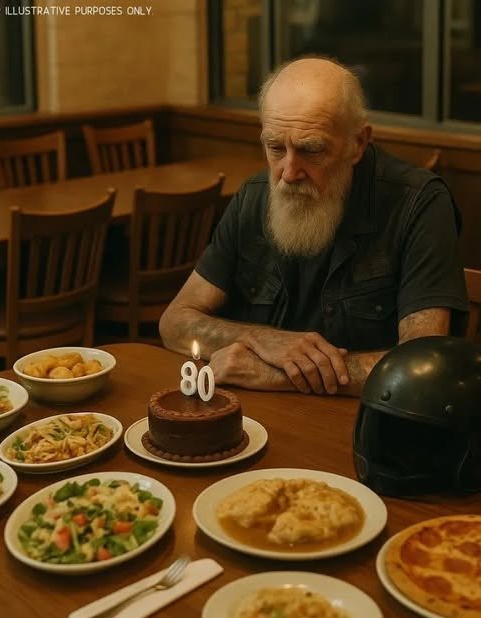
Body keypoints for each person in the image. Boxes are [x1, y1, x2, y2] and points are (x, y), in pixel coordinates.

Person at [159, 56, 468, 396]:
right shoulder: (252, 197)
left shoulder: (419, 203)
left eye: (311, 150)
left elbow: (422, 364)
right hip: (257, 416)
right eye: (275, 148)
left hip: (364, 419)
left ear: (358, 143)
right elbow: (174, 321)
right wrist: (261, 339)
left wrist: (278, 374)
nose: (289, 173)